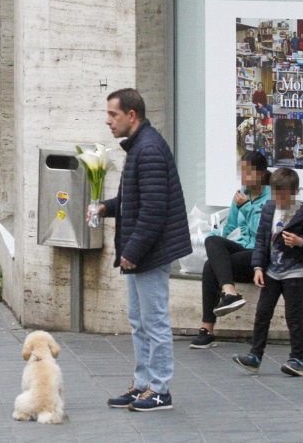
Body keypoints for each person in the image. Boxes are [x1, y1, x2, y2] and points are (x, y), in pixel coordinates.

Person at [89, 89, 191, 413]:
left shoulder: (148, 150)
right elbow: (135, 202)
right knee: (139, 321)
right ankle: (143, 384)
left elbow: (153, 211)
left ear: (131, 115)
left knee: (154, 321)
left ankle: (160, 389)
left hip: (151, 253)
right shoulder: (139, 148)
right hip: (142, 251)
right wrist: (107, 207)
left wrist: (131, 251)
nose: (108, 121)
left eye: (113, 115)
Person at [231, 168, 303, 377]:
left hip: (295, 273)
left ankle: (297, 358)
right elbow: (261, 240)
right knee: (263, 313)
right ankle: (255, 355)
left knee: (294, 316)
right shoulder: (270, 209)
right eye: (275, 193)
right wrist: (258, 267)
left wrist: (300, 242)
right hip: (272, 271)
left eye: (284, 195)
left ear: (295, 192)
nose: (279, 199)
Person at [190, 151, 271, 349]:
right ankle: (227, 295)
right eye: (241, 172)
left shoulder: (272, 196)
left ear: (261, 174)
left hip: (261, 254)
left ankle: (208, 328)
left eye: (248, 172)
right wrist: (220, 248)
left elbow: (264, 232)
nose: (244, 177)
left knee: (211, 267)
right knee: (213, 243)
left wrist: (245, 208)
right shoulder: (241, 195)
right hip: (242, 250)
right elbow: (229, 228)